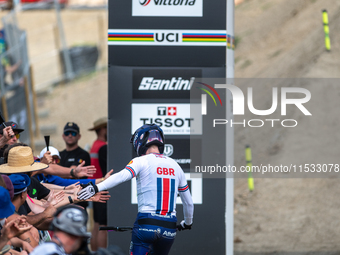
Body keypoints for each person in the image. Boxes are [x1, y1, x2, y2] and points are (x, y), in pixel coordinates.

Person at [78, 124, 194, 255]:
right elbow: (188, 203)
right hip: (169, 227)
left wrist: (95, 188)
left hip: (146, 223)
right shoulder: (176, 165)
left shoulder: (141, 160)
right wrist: (187, 223)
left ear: (141, 141)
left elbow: (121, 176)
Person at [59, 122, 91, 210]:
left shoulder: (84, 154)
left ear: (79, 136)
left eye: (73, 133)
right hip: (62, 198)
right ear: (63, 136)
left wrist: (56, 172)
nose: (70, 136)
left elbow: (71, 173)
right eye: (67, 133)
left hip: (79, 197)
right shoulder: (59, 155)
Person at [88, 117, 108, 251]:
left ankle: (94, 252)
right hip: (102, 188)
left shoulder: (95, 145)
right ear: (102, 129)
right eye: (107, 127)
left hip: (94, 188)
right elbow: (106, 169)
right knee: (103, 226)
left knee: (96, 224)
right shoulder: (103, 147)